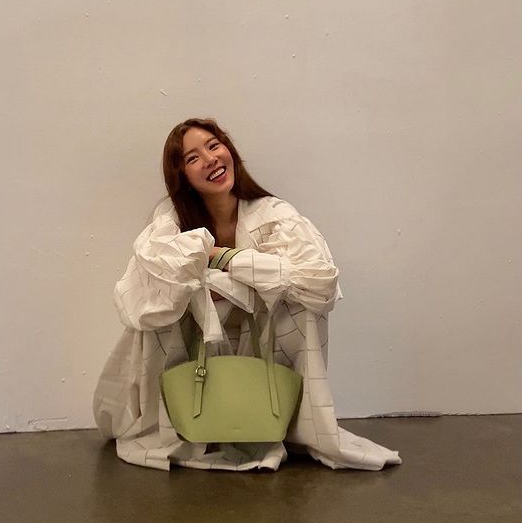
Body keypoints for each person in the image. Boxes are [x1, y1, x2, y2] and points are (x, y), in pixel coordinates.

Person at [92, 117, 401, 471]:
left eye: (214, 146)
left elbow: (319, 281)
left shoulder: (274, 214)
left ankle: (285, 423)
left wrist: (221, 258)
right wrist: (236, 279)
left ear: (229, 150)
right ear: (182, 177)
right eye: (193, 158)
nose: (210, 159)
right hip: (198, 333)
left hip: (265, 327)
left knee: (302, 307)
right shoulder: (170, 219)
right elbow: (144, 288)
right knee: (157, 312)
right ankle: (179, 422)